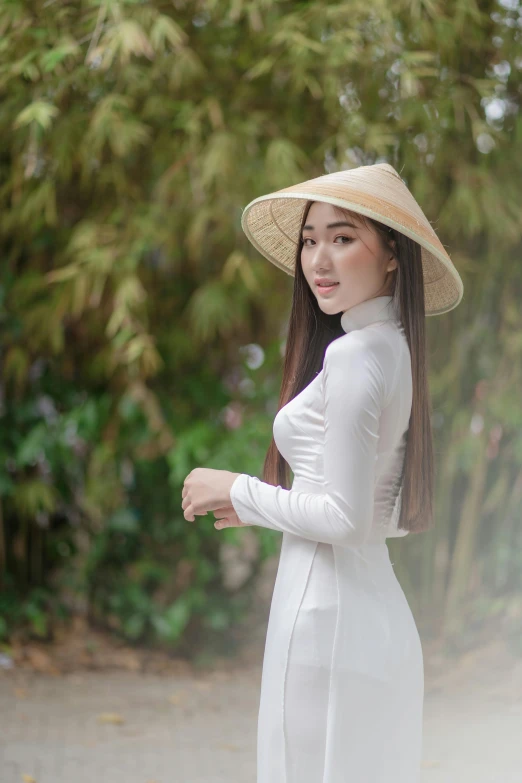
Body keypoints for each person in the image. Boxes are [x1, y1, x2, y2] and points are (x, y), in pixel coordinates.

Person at [181, 162, 464, 783]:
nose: (319, 260)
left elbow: (344, 518)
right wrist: (259, 504)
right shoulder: (391, 347)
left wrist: (238, 488)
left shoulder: (356, 355)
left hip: (325, 630)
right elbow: (368, 512)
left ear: (392, 255)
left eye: (343, 238)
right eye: (311, 240)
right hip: (372, 623)